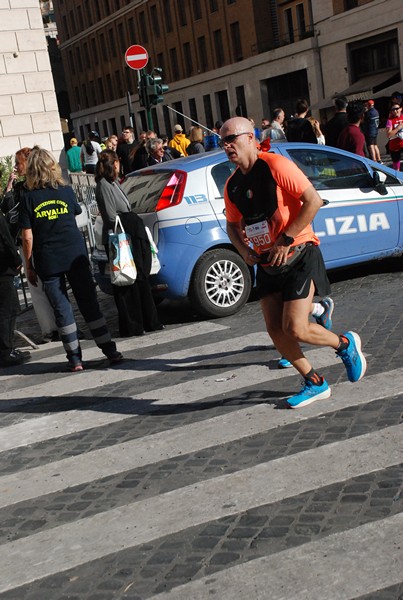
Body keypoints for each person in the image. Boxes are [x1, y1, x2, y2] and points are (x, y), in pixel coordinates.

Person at [220, 116, 366, 408]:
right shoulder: (232, 185)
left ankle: (346, 345)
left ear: (250, 138)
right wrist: (243, 250)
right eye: (222, 142)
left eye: (230, 139)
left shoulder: (276, 166)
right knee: (276, 330)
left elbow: (313, 201)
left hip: (299, 253)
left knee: (296, 328)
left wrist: (285, 238)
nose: (226, 147)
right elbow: (232, 226)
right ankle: (315, 382)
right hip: (266, 264)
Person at [19, 146, 122, 372]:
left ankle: (75, 358)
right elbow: (76, 212)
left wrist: (29, 265)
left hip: (48, 259)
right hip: (75, 254)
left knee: (62, 309)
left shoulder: (28, 197)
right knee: (89, 303)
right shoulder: (66, 192)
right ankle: (109, 350)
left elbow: (27, 236)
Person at [95, 150, 163, 336]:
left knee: (139, 277)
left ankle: (149, 320)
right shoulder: (103, 185)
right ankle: (133, 324)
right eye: (117, 162)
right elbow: (110, 216)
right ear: (113, 164)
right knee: (126, 280)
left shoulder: (113, 182)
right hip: (123, 235)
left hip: (132, 231)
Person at [2, 147, 58, 343]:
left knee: (43, 286)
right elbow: (7, 209)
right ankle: (53, 327)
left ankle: (52, 327)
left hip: (35, 241)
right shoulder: (24, 187)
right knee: (42, 287)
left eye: (18, 163)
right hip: (35, 242)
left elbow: (9, 209)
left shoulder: (26, 188)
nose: (16, 167)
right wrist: (9, 185)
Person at [0, 210, 31, 367]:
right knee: (8, 310)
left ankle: (6, 349)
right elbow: (6, 239)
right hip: (3, 268)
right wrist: (16, 259)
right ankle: (5, 351)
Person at [385, 103, 403, 171]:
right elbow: (389, 135)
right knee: (396, 168)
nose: (395, 111)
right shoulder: (390, 121)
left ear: (401, 109)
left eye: (396, 109)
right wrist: (398, 128)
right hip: (395, 147)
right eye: (393, 110)